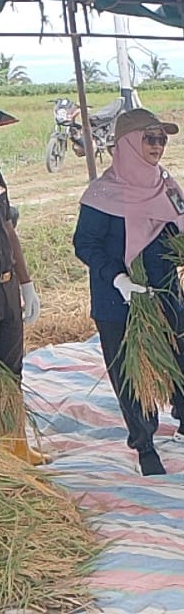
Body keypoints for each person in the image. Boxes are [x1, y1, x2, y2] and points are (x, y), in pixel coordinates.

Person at [73, 109, 184, 477]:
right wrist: (118, 278)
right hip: (121, 300)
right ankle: (144, 443)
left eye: (162, 139)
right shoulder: (102, 194)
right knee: (133, 369)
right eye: (150, 138)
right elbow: (85, 243)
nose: (158, 146)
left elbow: (176, 234)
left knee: (180, 356)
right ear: (128, 143)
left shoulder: (167, 185)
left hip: (165, 290)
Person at [0, 109, 46, 465]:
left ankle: (15, 445)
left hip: (6, 288)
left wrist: (26, 283)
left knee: (12, 370)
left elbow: (9, 231)